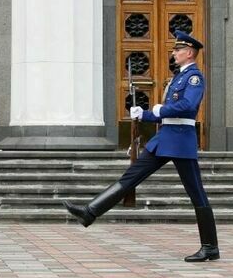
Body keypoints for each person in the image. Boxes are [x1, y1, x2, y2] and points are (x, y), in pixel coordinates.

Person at [63, 30, 219, 262]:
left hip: (181, 141)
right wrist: (144, 114)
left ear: (189, 53)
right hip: (164, 139)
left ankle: (210, 247)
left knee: (196, 192)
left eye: (178, 50)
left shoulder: (194, 77)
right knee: (130, 177)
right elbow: (166, 114)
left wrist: (159, 110)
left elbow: (188, 106)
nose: (174, 52)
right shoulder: (178, 77)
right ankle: (90, 212)